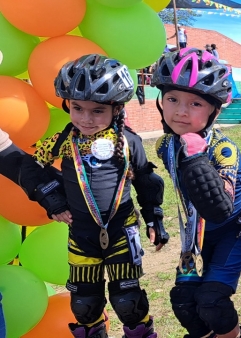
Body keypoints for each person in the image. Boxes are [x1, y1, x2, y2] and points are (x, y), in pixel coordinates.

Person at [19, 54, 169, 338]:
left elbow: (147, 182)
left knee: (128, 303)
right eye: (77, 108)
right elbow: (30, 165)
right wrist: (52, 201)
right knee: (84, 306)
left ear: (116, 109)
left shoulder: (128, 141)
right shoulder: (64, 141)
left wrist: (154, 219)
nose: (85, 119)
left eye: (97, 111)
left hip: (122, 232)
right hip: (82, 236)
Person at [152, 47, 241, 338]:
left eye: (195, 103)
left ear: (214, 109)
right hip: (196, 235)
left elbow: (219, 208)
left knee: (212, 302)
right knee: (184, 304)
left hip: (234, 229)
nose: (181, 111)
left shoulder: (224, 150)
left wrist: (199, 160)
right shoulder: (165, 146)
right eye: (172, 99)